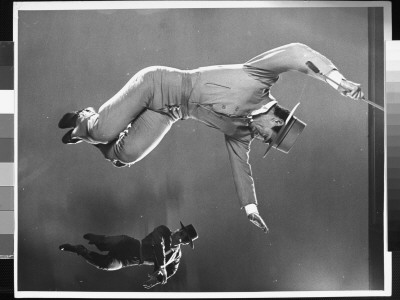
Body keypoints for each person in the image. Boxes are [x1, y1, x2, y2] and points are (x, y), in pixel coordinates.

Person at [58, 43, 365, 233]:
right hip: (154, 84)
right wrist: (338, 81)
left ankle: (99, 139)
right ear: (277, 118)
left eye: (266, 142)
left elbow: (241, 169)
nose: (261, 138)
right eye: (269, 136)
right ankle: (85, 120)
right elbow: (299, 53)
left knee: (124, 156)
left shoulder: (242, 132)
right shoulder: (259, 77)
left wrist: (251, 208)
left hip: (169, 113)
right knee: (102, 130)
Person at [59, 222, 198, 289]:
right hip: (130, 245)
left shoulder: (176, 255)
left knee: (106, 265)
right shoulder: (164, 230)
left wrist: (157, 278)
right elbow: (157, 245)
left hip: (130, 260)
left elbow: (171, 270)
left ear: (183, 242)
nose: (177, 233)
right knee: (108, 242)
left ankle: (79, 250)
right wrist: (161, 266)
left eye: (181, 235)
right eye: (180, 230)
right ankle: (99, 240)